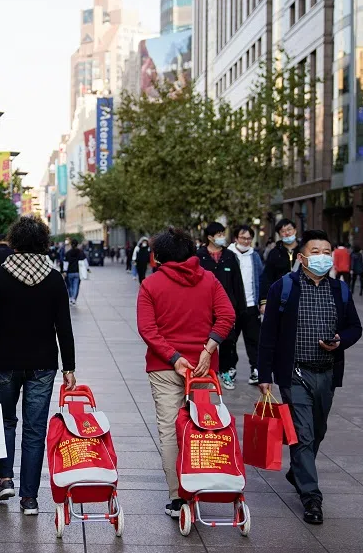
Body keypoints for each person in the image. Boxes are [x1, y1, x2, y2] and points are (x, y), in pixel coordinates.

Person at [0, 216, 76, 517]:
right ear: (43, 242)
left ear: (14, 241)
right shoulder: (54, 278)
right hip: (43, 364)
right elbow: (63, 327)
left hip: (5, 362)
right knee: (34, 429)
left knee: (5, 422)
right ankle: (29, 498)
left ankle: (5, 479)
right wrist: (69, 367)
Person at [257, 229, 363, 525]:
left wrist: (341, 339)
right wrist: (264, 374)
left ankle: (298, 471)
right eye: (315, 252)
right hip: (294, 373)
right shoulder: (285, 287)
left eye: (326, 251)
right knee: (303, 434)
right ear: (302, 257)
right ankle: (311, 497)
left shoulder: (339, 290)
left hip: (326, 372)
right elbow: (269, 335)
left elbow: (356, 327)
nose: (322, 257)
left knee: (318, 430)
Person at [137, 228, 236, 518]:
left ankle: (177, 497)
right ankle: (203, 485)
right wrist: (208, 349)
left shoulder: (151, 285)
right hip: (204, 370)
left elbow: (147, 328)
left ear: (160, 256)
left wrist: (174, 357)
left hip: (165, 368)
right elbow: (227, 315)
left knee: (170, 429)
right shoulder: (209, 279)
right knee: (203, 426)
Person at [196, 222, 246, 390]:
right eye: (218, 234)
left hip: (226, 307)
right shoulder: (199, 256)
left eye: (222, 233)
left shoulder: (230, 256)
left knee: (228, 341)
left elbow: (237, 283)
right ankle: (207, 372)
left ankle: (225, 372)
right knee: (206, 340)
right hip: (204, 307)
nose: (221, 237)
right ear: (210, 237)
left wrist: (241, 308)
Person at [227, 225, 264, 386]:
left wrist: (261, 301)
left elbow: (261, 279)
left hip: (251, 305)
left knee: (254, 339)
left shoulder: (255, 256)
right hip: (232, 306)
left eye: (249, 238)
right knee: (230, 340)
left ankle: (256, 369)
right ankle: (229, 369)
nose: (246, 241)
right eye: (243, 238)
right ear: (236, 238)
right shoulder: (228, 255)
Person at [260, 219, 300, 312]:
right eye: (283, 231)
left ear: (295, 230)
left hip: (303, 298)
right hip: (280, 299)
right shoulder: (274, 253)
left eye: (289, 229)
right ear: (279, 234)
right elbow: (267, 278)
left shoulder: (304, 250)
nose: (287, 233)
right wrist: (264, 301)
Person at [62, 239, 85, 305]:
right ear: (77, 244)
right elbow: (85, 262)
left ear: (71, 244)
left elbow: (65, 263)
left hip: (69, 272)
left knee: (70, 286)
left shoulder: (68, 253)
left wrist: (64, 271)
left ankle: (71, 297)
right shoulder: (81, 252)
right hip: (78, 272)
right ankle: (74, 298)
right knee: (76, 286)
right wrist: (87, 270)